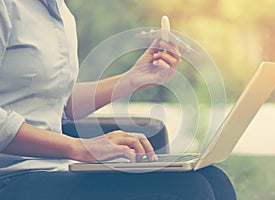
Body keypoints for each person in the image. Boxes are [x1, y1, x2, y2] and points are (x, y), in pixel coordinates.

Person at [0, 0, 236, 199]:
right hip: (10, 177)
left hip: (52, 168)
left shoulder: (61, 12)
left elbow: (56, 104)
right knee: (188, 189)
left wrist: (133, 79)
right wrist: (80, 147)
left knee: (214, 179)